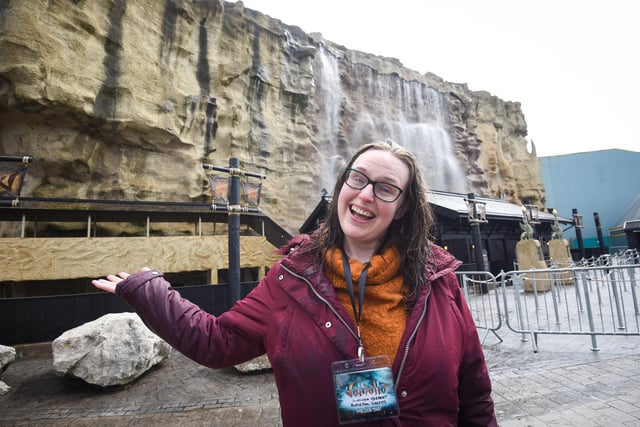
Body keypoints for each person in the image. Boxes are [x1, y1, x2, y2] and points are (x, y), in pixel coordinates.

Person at [93, 140, 497, 426]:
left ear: (404, 205)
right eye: (358, 178)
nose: (366, 195)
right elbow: (217, 342)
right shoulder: (289, 279)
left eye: (386, 188)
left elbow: (474, 389)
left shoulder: (438, 282)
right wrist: (148, 289)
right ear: (342, 185)